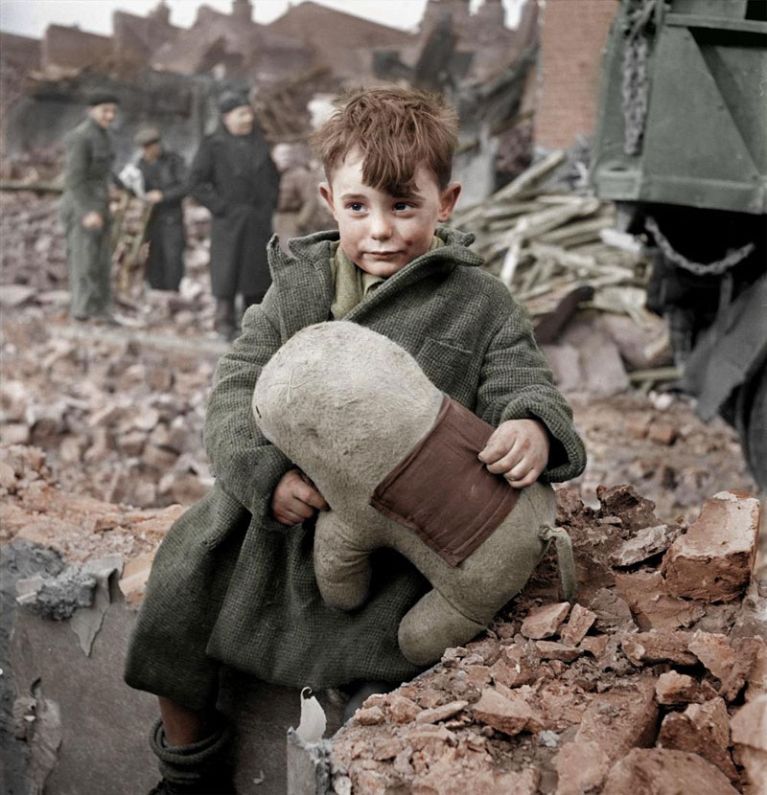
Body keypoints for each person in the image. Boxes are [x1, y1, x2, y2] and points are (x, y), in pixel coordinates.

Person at [125, 87, 587, 794]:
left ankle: (355, 756)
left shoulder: (477, 302)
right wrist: (263, 475)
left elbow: (521, 378)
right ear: (327, 201)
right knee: (183, 588)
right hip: (280, 521)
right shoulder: (296, 288)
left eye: (403, 206)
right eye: (358, 207)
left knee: (390, 659)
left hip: (392, 538)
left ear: (446, 202)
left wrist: (529, 424)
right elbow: (235, 386)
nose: (380, 231)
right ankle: (189, 769)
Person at [188, 92, 280, 340]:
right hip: (229, 220)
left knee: (256, 274)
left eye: (249, 113)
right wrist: (221, 207)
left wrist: (269, 204)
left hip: (257, 220)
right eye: (241, 114)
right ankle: (224, 323)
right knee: (227, 272)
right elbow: (196, 182)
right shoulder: (213, 145)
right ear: (226, 118)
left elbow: (273, 177)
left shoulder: (259, 142)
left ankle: (253, 326)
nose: (248, 119)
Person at [59, 91, 120, 323]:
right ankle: (82, 312)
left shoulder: (105, 136)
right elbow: (74, 180)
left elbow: (104, 174)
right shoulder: (80, 137)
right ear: (91, 111)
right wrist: (87, 211)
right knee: (84, 260)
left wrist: (115, 193)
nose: (110, 115)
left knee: (101, 260)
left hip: (100, 205)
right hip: (81, 207)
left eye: (113, 111)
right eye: (105, 110)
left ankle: (101, 310)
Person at [134, 127, 188, 292]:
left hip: (171, 219)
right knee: (153, 259)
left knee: (173, 258)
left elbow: (186, 186)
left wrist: (163, 195)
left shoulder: (174, 161)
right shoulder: (140, 165)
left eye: (153, 145)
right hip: (151, 221)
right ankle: (156, 292)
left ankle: (173, 293)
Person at [272, 141, 335, 253]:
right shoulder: (271, 175)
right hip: (275, 218)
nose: (283, 158)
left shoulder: (300, 175)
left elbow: (310, 201)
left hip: (292, 219)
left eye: (286, 155)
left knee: (290, 254)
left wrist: (300, 222)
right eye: (279, 155)